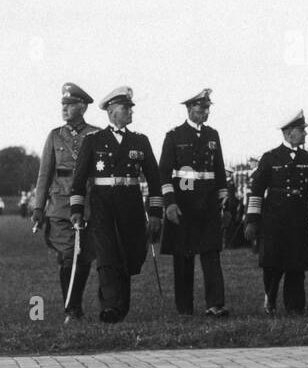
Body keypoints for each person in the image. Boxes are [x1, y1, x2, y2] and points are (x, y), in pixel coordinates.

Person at [69, 86, 164, 323]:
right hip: (102, 204)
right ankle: (110, 306)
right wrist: (76, 210)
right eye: (126, 108)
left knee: (129, 254)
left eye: (130, 107)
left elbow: (154, 179)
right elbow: (79, 179)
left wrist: (155, 213)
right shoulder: (94, 140)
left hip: (131, 204)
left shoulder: (140, 141)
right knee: (107, 253)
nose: (131, 112)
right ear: (111, 111)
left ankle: (120, 305)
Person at [244, 110, 308, 314]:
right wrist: (252, 221)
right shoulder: (270, 157)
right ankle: (270, 299)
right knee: (272, 263)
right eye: (302, 131)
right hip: (274, 219)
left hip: (298, 219)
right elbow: (256, 193)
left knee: (297, 264)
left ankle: (295, 306)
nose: (305, 135)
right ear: (289, 132)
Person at [32, 83, 102, 322]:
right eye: (63, 104)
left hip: (89, 205)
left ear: (82, 107)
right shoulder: (54, 136)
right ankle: (71, 309)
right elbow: (44, 174)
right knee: (68, 256)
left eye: (70, 104)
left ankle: (75, 307)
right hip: (60, 206)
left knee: (83, 257)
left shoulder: (96, 134)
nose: (64, 108)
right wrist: (38, 208)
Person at [159, 88, 230, 317]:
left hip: (208, 204)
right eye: (201, 108)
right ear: (189, 109)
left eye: (208, 108)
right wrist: (169, 203)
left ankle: (215, 304)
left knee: (211, 253)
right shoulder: (174, 136)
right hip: (184, 204)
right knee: (184, 256)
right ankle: (184, 308)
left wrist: (224, 199)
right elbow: (163, 174)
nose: (205, 112)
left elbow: (219, 170)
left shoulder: (213, 136)